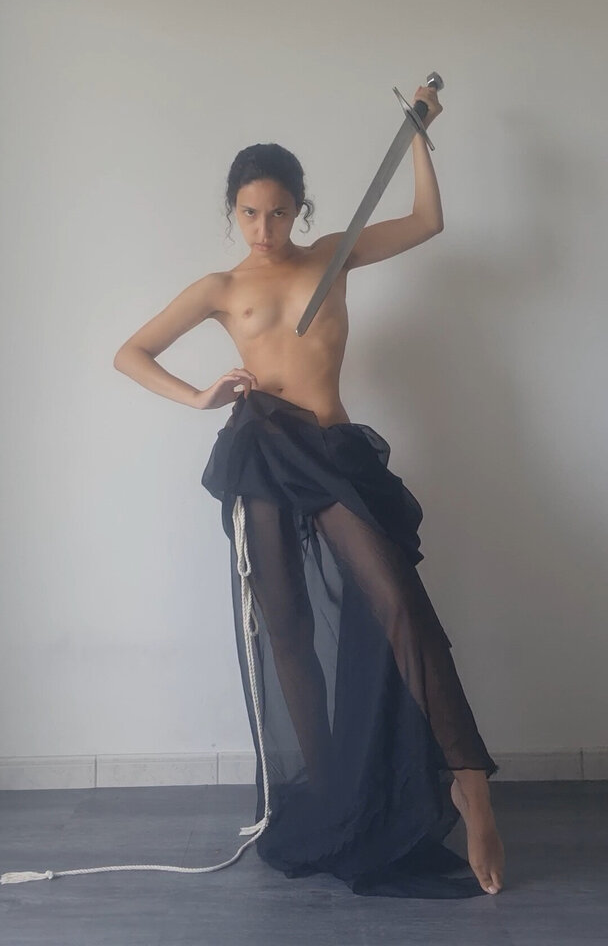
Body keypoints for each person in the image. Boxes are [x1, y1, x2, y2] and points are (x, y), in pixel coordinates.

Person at [113, 86, 505, 899]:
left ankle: (469, 781)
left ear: (301, 210)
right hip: (263, 449)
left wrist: (418, 134)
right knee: (287, 626)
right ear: (233, 211)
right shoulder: (220, 287)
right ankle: (328, 790)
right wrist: (198, 397)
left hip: (330, 449)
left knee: (397, 600)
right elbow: (131, 352)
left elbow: (427, 222)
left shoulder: (332, 253)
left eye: (279, 212)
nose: (265, 229)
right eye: (250, 213)